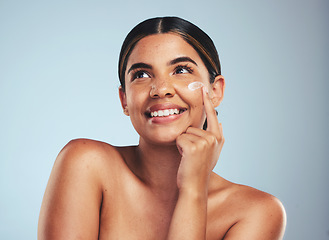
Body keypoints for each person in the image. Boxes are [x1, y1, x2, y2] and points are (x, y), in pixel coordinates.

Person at [38, 16, 286, 239]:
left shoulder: (256, 212)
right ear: (124, 99)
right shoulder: (86, 163)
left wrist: (193, 189)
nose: (161, 89)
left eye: (181, 70)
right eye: (142, 75)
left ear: (215, 91)